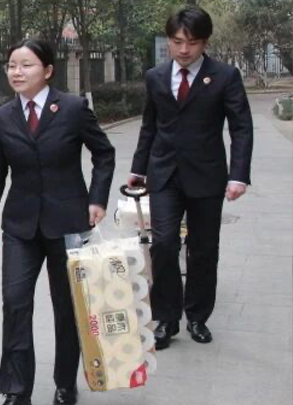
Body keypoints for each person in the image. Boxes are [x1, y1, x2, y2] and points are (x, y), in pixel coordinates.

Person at [0, 39, 115, 405]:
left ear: (48, 70)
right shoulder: (3, 116)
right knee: (15, 301)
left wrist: (97, 198)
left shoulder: (72, 108)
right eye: (12, 65)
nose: (17, 72)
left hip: (67, 223)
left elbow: (104, 153)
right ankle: (16, 388)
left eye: (26, 65)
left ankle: (65, 383)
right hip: (20, 226)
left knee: (66, 306)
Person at [127, 5, 253, 350]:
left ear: (205, 42)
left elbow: (241, 127)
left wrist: (238, 175)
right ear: (169, 40)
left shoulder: (225, 76)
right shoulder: (155, 76)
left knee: (203, 249)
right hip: (164, 174)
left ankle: (197, 316)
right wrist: (138, 168)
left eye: (192, 43)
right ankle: (166, 318)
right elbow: (149, 125)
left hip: (207, 176)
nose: (184, 50)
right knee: (164, 244)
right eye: (178, 42)